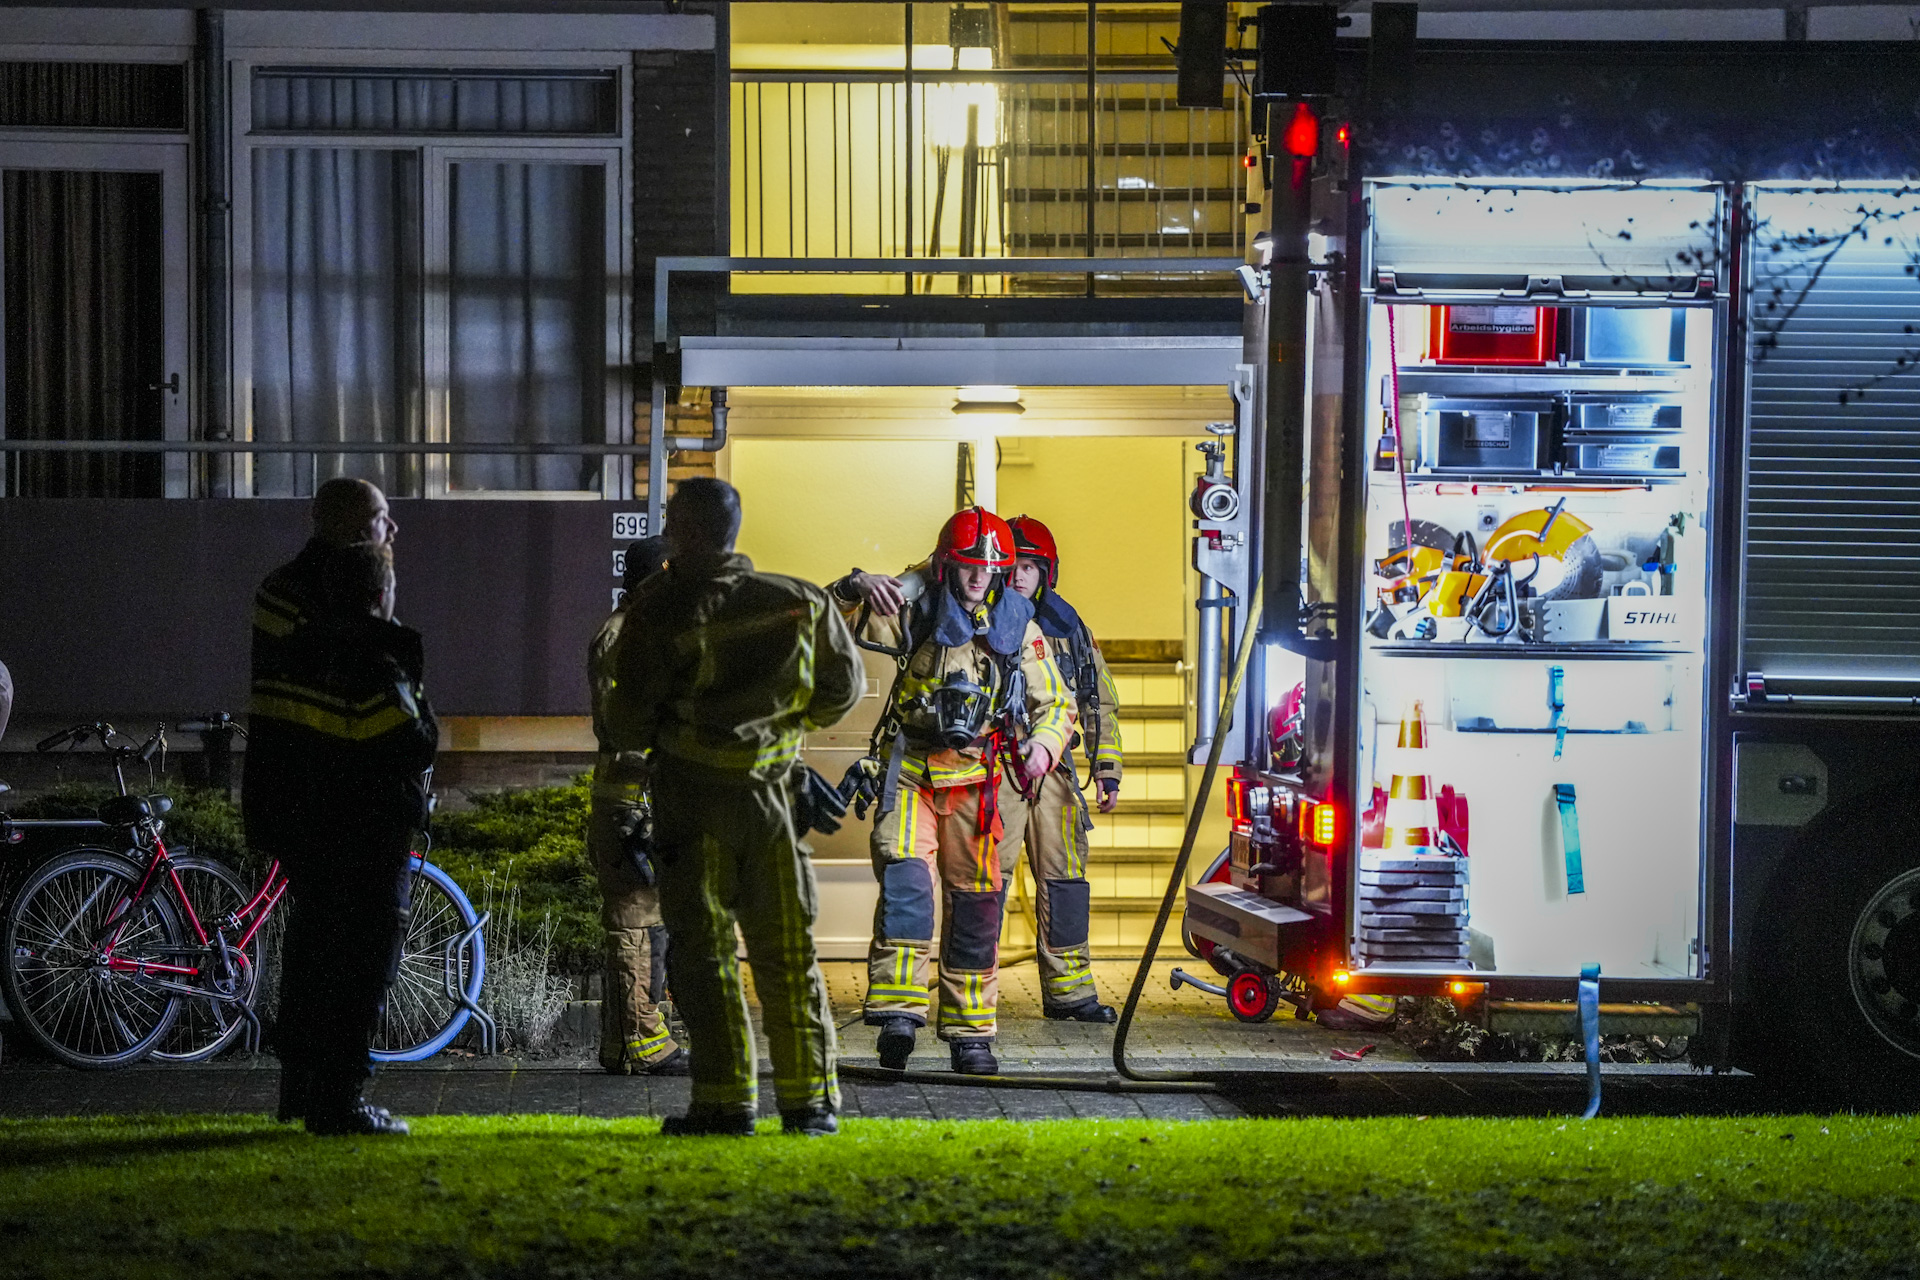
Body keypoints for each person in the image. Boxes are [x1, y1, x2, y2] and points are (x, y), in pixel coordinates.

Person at [605, 478, 863, 1136]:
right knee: (787, 953)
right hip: (774, 802)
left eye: (670, 522)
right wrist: (779, 730)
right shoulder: (800, 602)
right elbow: (843, 691)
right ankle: (810, 1107)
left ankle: (724, 1104)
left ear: (687, 531)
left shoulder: (656, 611)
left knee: (703, 954)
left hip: (691, 805)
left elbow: (627, 723)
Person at [833, 508, 1074, 1075]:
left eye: (989, 570)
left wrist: (1043, 747)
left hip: (979, 781)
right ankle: (897, 1014)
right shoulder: (912, 612)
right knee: (907, 884)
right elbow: (832, 622)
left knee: (977, 906)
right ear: (946, 565)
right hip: (913, 769)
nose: (978, 580)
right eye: (967, 568)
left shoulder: (1020, 626)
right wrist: (854, 585)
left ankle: (970, 1033)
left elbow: (1056, 704)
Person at [245, 479, 433, 1138]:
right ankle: (338, 1097)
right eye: (383, 519)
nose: (394, 532)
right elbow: (398, 727)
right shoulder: (327, 607)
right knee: (358, 956)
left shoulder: (281, 592)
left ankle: (305, 1086)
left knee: (315, 947)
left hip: (301, 802)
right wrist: (379, 613)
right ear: (354, 528)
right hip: (352, 808)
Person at [997, 515, 1123, 1023]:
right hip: (997, 767)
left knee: (1064, 882)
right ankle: (971, 994)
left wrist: (1107, 767)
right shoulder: (979, 621)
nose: (1022, 575)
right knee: (985, 881)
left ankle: (1070, 993)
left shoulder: (1071, 631)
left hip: (1056, 773)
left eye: (1032, 566)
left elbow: (1099, 703)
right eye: (1015, 564)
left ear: (1048, 573)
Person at [586, 535, 686, 1076]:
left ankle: (618, 1046)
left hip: (644, 799)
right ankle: (649, 1045)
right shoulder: (624, 638)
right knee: (635, 924)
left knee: (646, 923)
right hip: (630, 803)